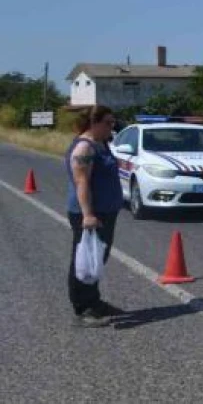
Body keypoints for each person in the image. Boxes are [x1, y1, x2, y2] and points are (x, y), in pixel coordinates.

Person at [64, 104, 125, 327]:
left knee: (96, 258)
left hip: (105, 211)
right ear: (94, 123)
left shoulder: (101, 144)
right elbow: (82, 182)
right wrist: (88, 214)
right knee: (84, 260)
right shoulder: (84, 148)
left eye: (113, 122)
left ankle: (94, 301)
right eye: (108, 122)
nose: (112, 126)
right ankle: (83, 309)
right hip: (91, 213)